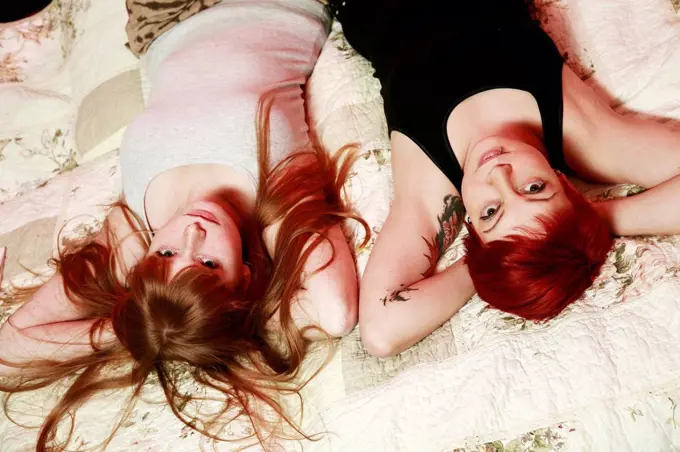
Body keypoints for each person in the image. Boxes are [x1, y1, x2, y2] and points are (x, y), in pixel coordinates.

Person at [0, 0, 367, 449]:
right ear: (245, 277)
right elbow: (336, 312)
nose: (192, 232)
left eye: (167, 254)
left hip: (164, 16)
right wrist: (223, 330)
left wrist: (141, 329)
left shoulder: (135, 232)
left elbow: (9, 349)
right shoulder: (275, 205)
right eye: (210, 263)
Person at [328, 0, 680, 357]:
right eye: (534, 188)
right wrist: (593, 219)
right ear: (563, 182)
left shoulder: (429, 189)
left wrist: (493, 264)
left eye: (491, 212)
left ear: (471, 229)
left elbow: (381, 332)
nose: (498, 174)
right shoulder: (589, 137)